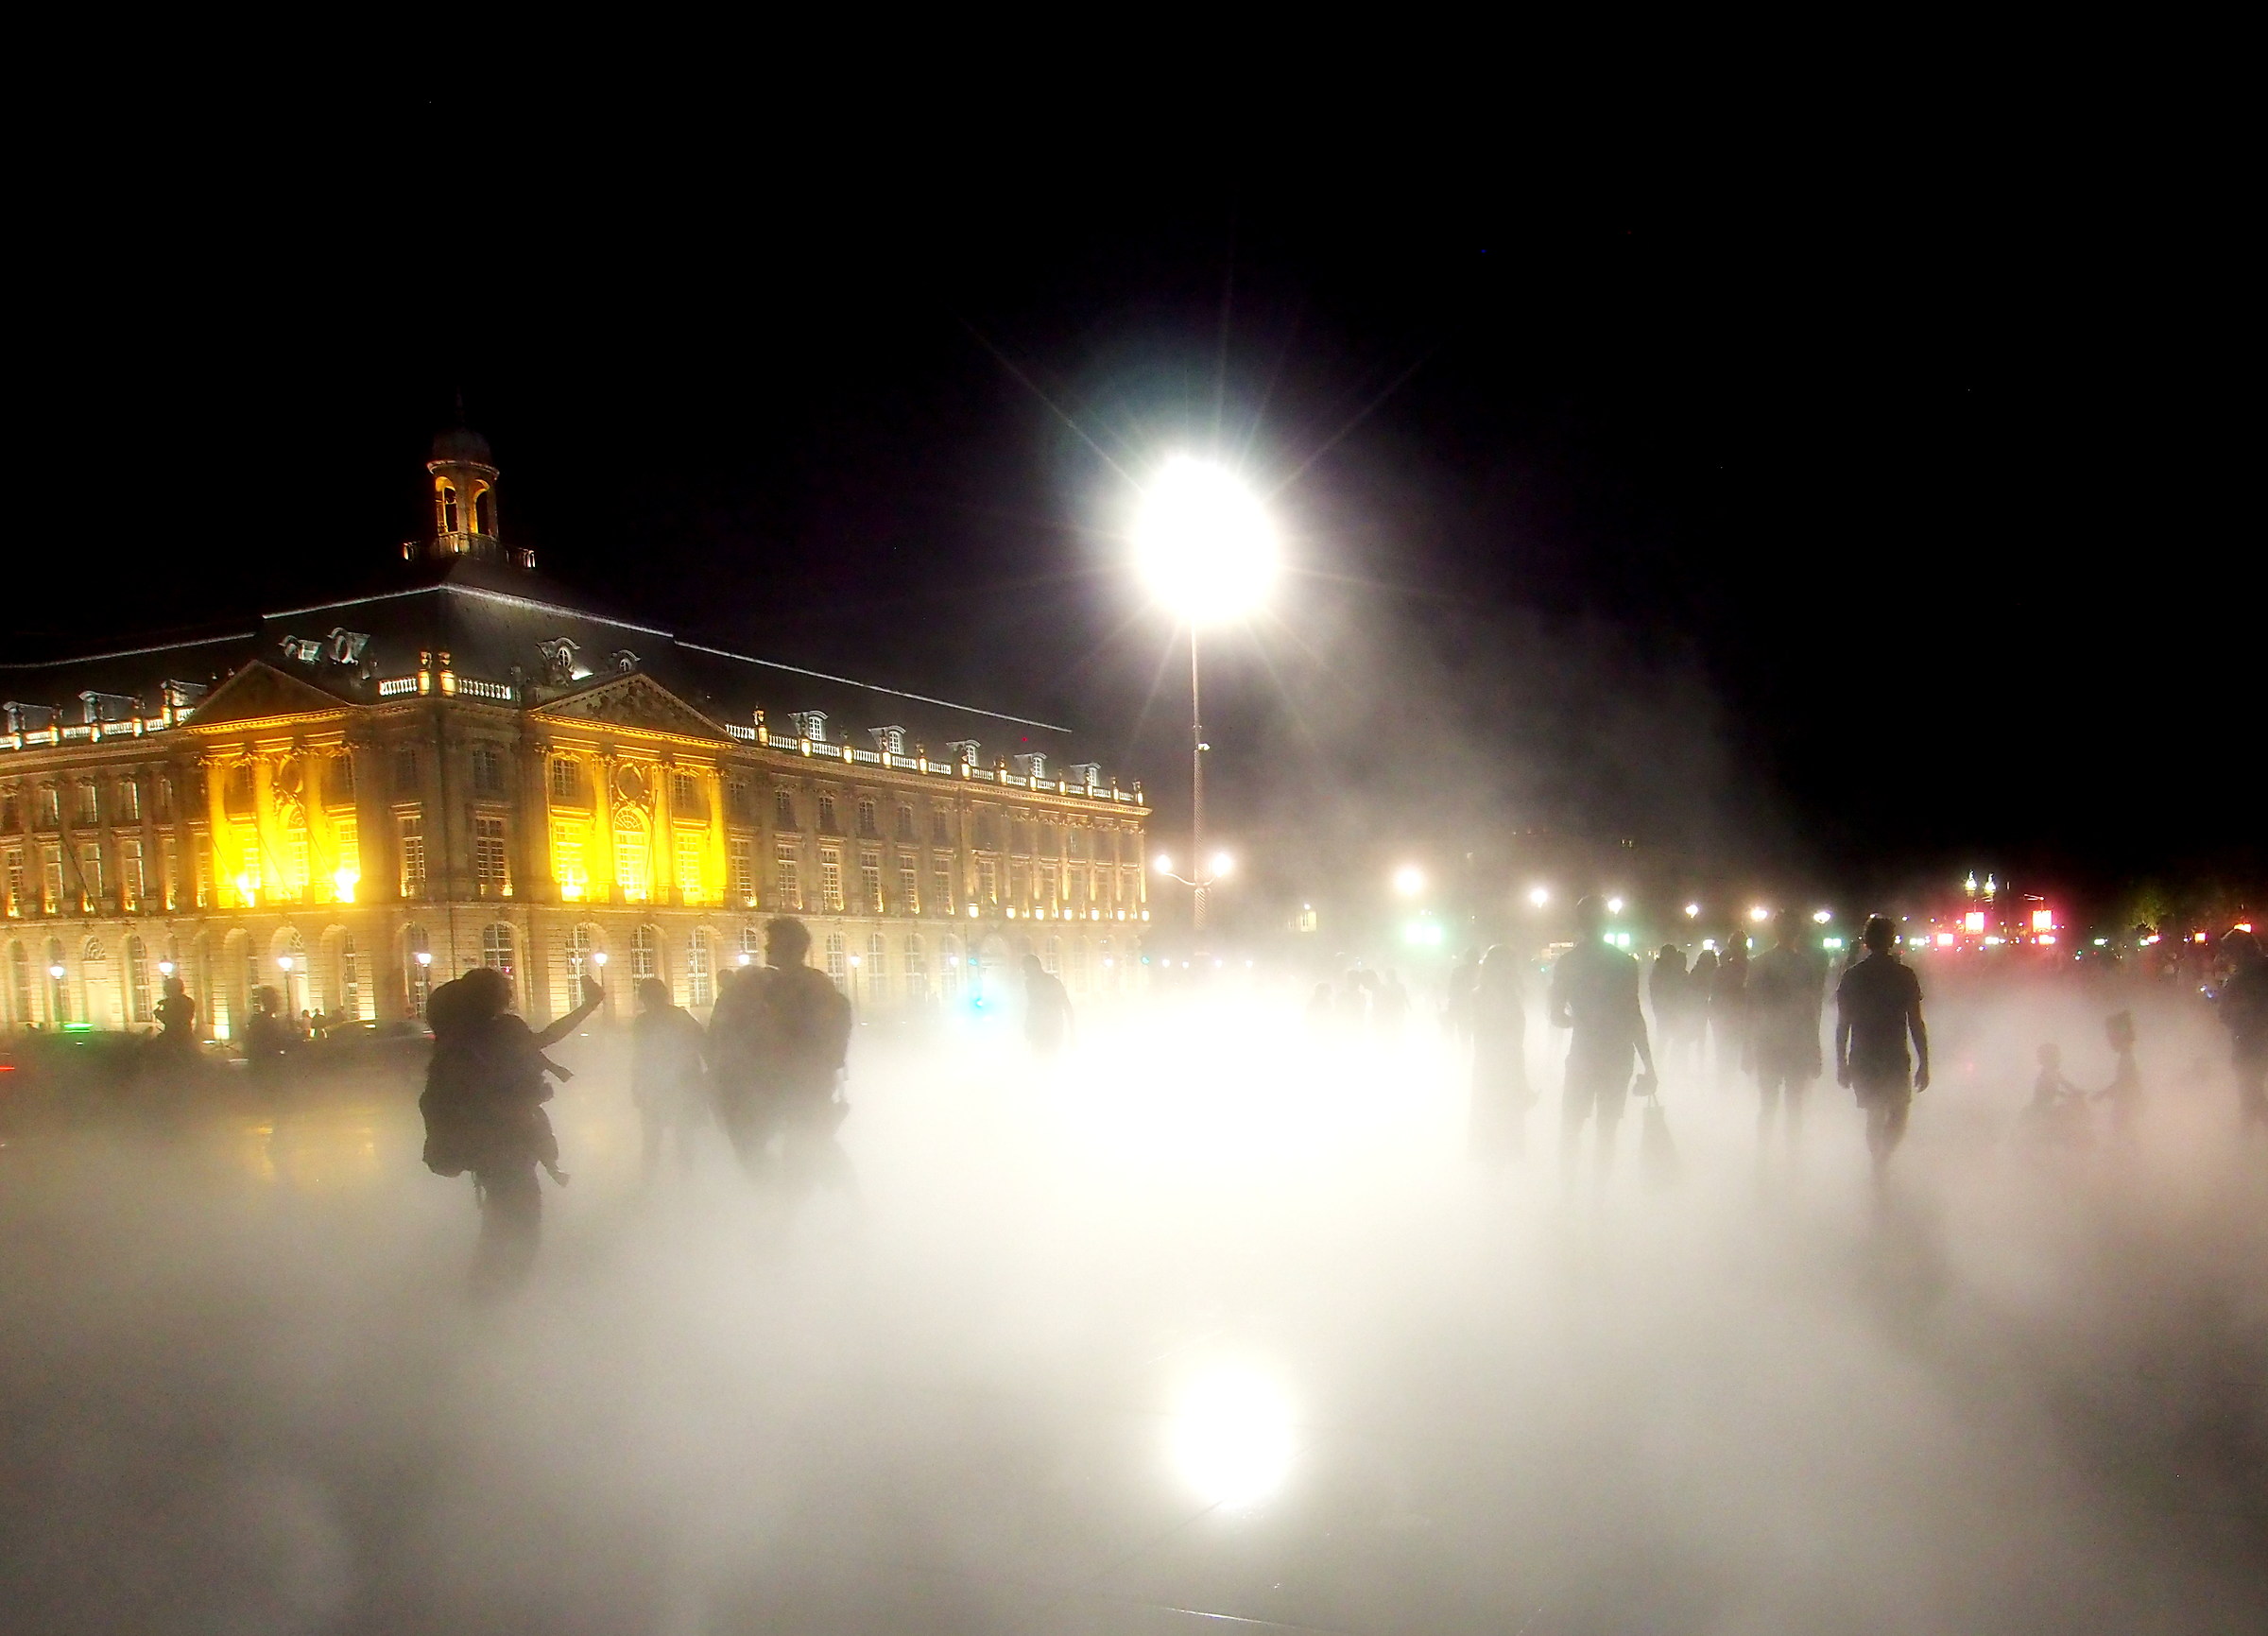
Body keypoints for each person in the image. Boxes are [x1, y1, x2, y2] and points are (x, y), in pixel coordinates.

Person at [421, 966, 603, 1298]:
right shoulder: (504, 1031)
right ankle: (493, 1304)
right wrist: (588, 1006)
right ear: (496, 997)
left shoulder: (459, 1037)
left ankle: (486, 1295)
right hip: (510, 1144)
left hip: (483, 1147)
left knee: (501, 1218)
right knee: (520, 1225)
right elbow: (546, 1037)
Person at [708, 918, 852, 1177]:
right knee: (803, 1147)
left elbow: (812, 1035)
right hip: (783, 1082)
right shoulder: (780, 984)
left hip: (797, 1083)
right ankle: (842, 1200)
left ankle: (788, 1203)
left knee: (799, 1149)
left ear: (792, 948)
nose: (766, 949)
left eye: (772, 943)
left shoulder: (805, 987)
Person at [1548, 895, 1658, 1183]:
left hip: (1584, 1053)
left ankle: (1568, 1195)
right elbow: (1635, 1016)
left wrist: (1581, 1020)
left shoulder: (1567, 963)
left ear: (1578, 923)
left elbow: (1556, 1017)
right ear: (1606, 922)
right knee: (1607, 1131)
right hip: (1618, 1055)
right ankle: (1599, 1198)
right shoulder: (1623, 963)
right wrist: (1649, 1064)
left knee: (1571, 1128)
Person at [1835, 915, 1931, 1180]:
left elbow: (1843, 1025)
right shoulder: (1904, 975)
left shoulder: (1853, 976)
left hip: (1863, 1055)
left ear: (1866, 941)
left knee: (1874, 1114)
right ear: (1891, 940)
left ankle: (1877, 1160)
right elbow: (1915, 1022)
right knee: (1899, 1114)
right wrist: (1924, 1062)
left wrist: (1841, 1062)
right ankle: (1882, 1158)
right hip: (1894, 1055)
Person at [1746, 910, 1827, 1148]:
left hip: (1768, 1041)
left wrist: (1747, 1047)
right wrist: (1815, 1048)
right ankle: (1792, 1156)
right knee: (1794, 1106)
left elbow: (1751, 1008)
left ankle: (1764, 1153)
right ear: (1797, 932)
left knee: (1768, 1105)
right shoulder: (1804, 965)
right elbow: (1809, 1009)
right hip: (1796, 1041)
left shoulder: (1760, 962)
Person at [631, 976, 708, 1182]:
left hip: (655, 1086)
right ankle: (685, 1179)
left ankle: (648, 1181)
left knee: (652, 1139)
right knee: (683, 1135)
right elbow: (703, 1043)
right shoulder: (680, 1017)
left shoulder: (642, 1022)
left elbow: (640, 1057)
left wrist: (637, 1087)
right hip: (683, 1083)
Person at [1469, 946, 1533, 1160]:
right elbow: (1511, 1042)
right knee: (1503, 1131)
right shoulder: (1505, 998)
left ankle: (1489, 1181)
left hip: (1486, 1068)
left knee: (1490, 1133)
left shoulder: (1480, 994)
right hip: (1503, 1070)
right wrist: (1521, 1081)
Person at [2215, 930, 2268, 1135]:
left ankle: (2245, 1142)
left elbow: (2225, 1013)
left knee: (2250, 1092)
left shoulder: (2237, 980)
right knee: (2250, 1094)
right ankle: (2246, 1139)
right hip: (2259, 1039)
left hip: (2248, 1043)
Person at [2092, 1011, 2142, 1140]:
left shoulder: (2127, 1058)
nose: (2109, 1041)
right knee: (2125, 1134)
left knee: (2124, 1134)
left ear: (2120, 1037)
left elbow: (2124, 1082)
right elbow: (2123, 1081)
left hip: (2126, 1104)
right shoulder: (2127, 1057)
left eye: (2111, 1037)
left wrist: (2103, 1094)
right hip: (2127, 1103)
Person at [1022, 953, 1073, 1055]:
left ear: (1034, 967)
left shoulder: (1052, 983)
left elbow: (1067, 1006)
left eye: (1026, 969)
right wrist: (1027, 1025)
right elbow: (1032, 1007)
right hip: (1041, 1030)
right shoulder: (1030, 984)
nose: (1025, 972)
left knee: (1048, 1059)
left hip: (1051, 1030)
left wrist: (1073, 1033)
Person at [153, 975, 198, 1053]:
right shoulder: (188, 1001)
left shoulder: (171, 1003)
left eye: (166, 989)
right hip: (186, 1035)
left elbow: (171, 1020)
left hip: (173, 1037)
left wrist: (158, 1014)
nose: (165, 991)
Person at [1375, 969, 1411, 1041]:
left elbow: (1405, 996)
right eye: (1389, 975)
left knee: (1397, 1026)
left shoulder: (1399, 986)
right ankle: (1394, 1039)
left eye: (1391, 975)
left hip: (1397, 1010)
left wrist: (1409, 1006)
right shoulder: (1386, 987)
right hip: (1391, 1010)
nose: (1391, 977)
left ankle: (1397, 1038)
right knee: (1393, 1026)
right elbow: (1383, 999)